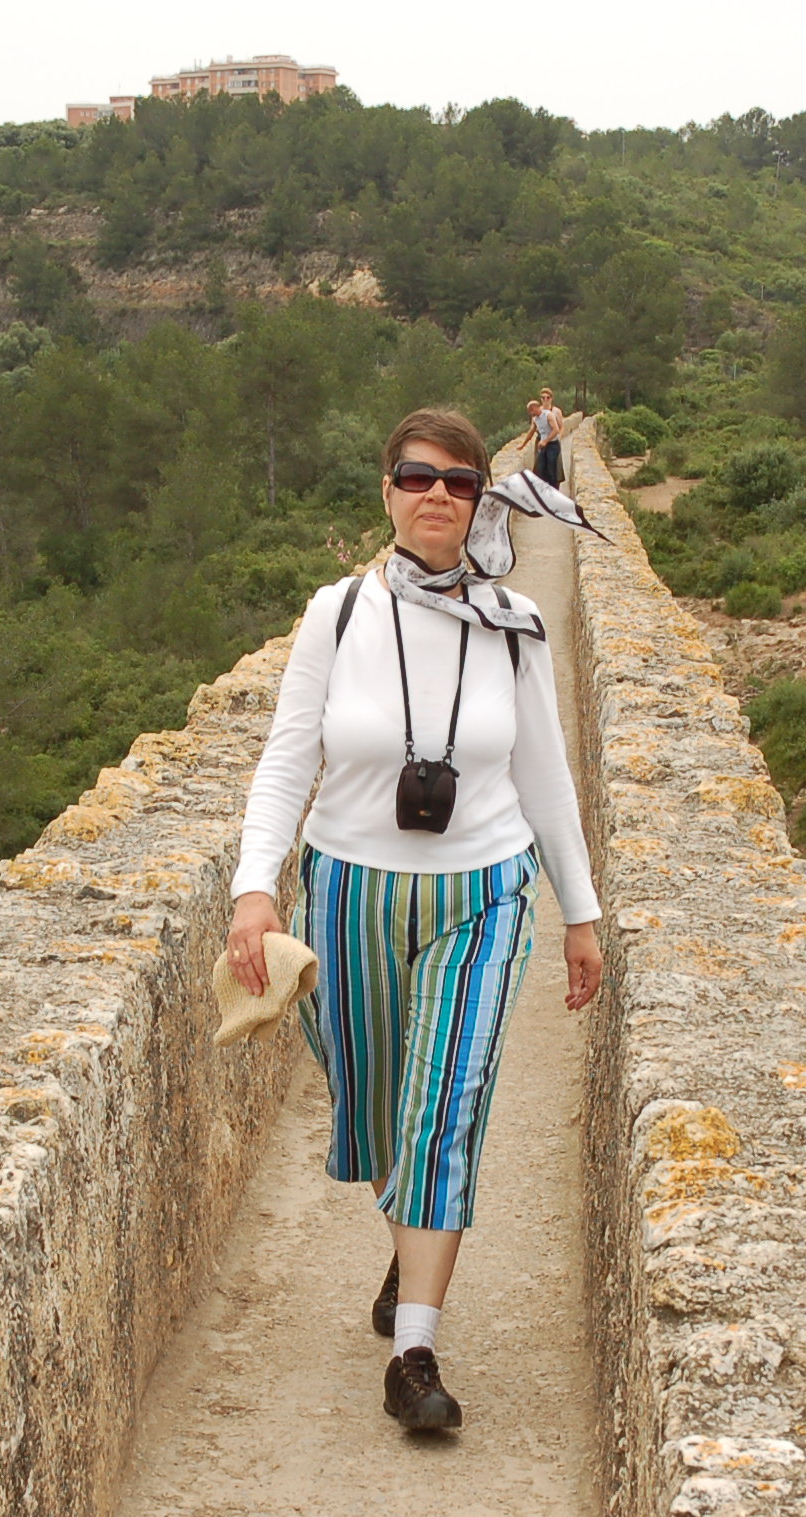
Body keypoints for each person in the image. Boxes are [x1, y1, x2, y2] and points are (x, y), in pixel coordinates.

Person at [224, 408, 603, 1433]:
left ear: (482, 499)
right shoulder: (338, 614)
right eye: (416, 475)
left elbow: (544, 775)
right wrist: (254, 888)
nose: (437, 494)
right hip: (348, 893)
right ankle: (411, 1241)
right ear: (386, 490)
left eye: (459, 481)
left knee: (444, 1105)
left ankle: (415, 1351)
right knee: (381, 1106)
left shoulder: (513, 626)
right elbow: (287, 758)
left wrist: (580, 912)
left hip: (481, 893)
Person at [530, 389, 565, 487]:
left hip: (553, 442)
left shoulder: (556, 411)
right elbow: (532, 428)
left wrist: (559, 437)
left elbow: (561, 427)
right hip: (541, 441)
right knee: (540, 468)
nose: (545, 400)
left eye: (547, 398)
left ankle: (554, 488)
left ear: (551, 399)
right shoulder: (537, 411)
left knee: (554, 468)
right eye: (543, 398)